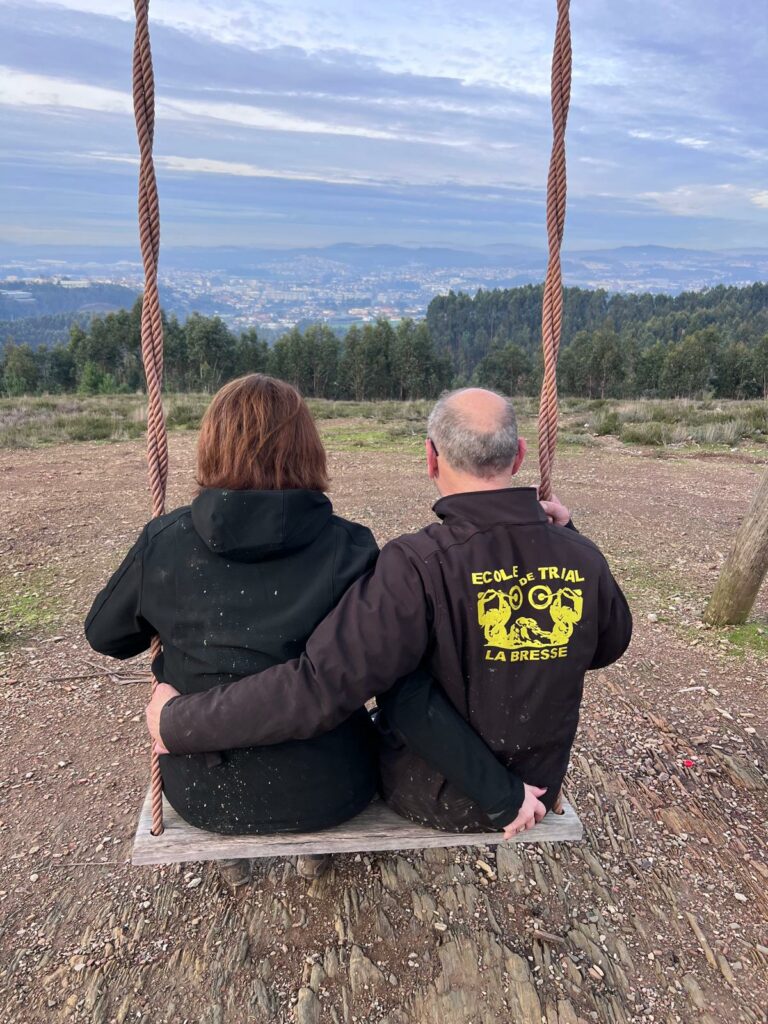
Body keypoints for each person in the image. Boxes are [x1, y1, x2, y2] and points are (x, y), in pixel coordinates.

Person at [86, 376, 548, 887]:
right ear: (309, 449)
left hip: (204, 793)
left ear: (210, 446)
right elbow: (395, 684)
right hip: (332, 788)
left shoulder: (166, 542)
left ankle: (234, 858)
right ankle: (315, 852)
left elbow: (106, 636)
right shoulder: (350, 547)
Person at [147, 387, 632, 836]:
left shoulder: (416, 564)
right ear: (520, 455)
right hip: (537, 789)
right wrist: (564, 539)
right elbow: (608, 644)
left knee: (399, 682)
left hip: (434, 795)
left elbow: (325, 684)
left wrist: (179, 724)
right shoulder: (581, 556)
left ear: (431, 458)